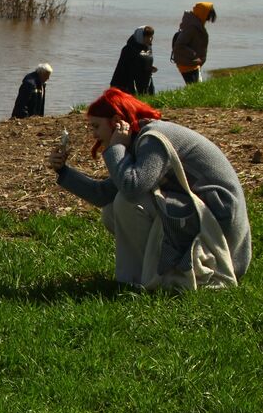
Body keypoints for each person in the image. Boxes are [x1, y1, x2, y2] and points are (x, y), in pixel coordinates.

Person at [45, 87, 249, 289]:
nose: (94, 135)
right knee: (111, 210)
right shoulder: (139, 139)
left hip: (220, 225)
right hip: (205, 215)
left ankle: (147, 281)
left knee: (126, 203)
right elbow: (104, 194)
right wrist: (63, 171)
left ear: (116, 122)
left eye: (96, 127)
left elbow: (132, 188)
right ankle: (148, 275)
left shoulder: (153, 138)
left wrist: (116, 148)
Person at [171, 2, 216, 84]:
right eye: (208, 16)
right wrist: (195, 56)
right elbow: (180, 45)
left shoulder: (196, 24)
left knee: (196, 87)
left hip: (192, 63)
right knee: (196, 87)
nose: (208, 19)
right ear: (203, 14)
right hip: (187, 64)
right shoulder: (192, 27)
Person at [110, 26, 157, 96]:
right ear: (140, 36)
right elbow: (122, 69)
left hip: (146, 81)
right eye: (147, 37)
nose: (150, 39)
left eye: (151, 36)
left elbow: (143, 61)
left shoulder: (148, 48)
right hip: (130, 83)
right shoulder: (128, 49)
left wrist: (150, 67)